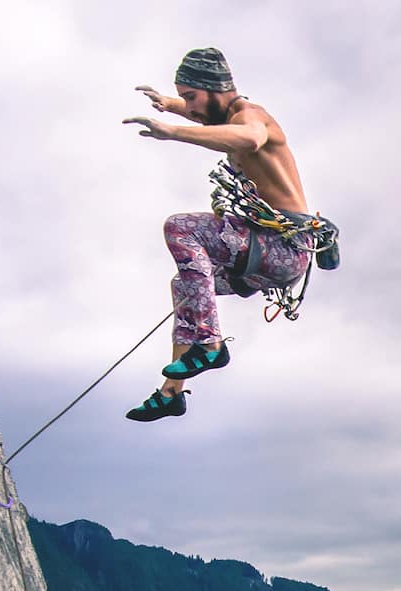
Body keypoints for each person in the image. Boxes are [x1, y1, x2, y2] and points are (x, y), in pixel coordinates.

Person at [122, 47, 313, 422]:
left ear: (215, 89)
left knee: (181, 227)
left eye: (192, 97)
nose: (190, 106)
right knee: (184, 285)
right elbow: (216, 121)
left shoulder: (251, 116)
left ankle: (209, 343)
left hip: (282, 246)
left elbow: (249, 138)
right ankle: (171, 394)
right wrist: (172, 105)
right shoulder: (227, 114)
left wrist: (174, 131)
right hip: (266, 259)